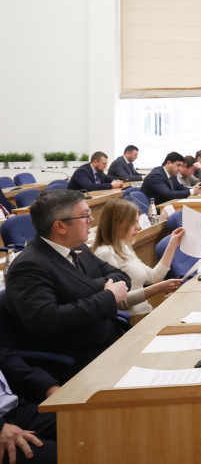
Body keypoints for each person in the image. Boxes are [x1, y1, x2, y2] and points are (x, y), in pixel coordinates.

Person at [2, 190, 130, 380]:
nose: (92, 220)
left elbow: (121, 277)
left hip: (111, 340)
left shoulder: (79, 248)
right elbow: (47, 319)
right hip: (80, 361)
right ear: (60, 226)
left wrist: (86, 290)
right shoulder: (29, 266)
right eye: (85, 215)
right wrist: (107, 296)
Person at [91, 198, 184, 316]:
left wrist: (172, 245)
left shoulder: (124, 247)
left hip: (146, 312)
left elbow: (153, 277)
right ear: (118, 223)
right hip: (133, 320)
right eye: (133, 223)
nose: (138, 227)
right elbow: (117, 300)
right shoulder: (105, 253)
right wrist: (158, 288)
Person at [0, 347, 60, 464]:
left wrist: (49, 387)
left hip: (16, 410)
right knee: (60, 456)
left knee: (88, 423)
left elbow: (4, 355)